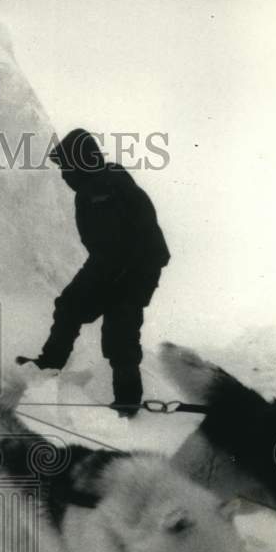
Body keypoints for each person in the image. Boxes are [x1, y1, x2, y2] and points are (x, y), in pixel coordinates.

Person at [18, 128, 170, 417]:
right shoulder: (95, 187)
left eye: (65, 166)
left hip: (134, 268)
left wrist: (111, 286)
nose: (63, 174)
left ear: (81, 162)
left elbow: (121, 245)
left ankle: (127, 403)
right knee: (70, 306)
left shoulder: (103, 188)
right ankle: (49, 366)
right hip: (111, 263)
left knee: (119, 329)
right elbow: (104, 248)